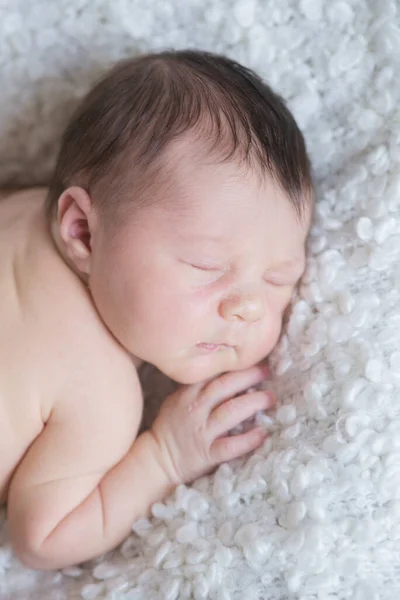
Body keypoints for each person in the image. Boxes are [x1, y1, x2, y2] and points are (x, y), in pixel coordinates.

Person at [0, 49, 314, 570]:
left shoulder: (19, 206)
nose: (248, 307)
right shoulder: (98, 390)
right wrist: (163, 455)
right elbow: (42, 537)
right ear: (82, 231)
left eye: (280, 278)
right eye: (207, 265)